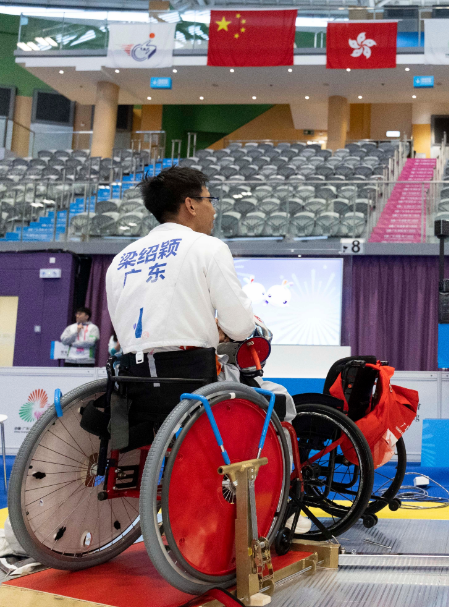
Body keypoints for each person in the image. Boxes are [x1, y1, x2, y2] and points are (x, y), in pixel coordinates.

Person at [104, 165, 308, 533]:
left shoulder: (122, 258)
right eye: (210, 200)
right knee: (280, 401)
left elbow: (129, 328)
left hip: (132, 384)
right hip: (192, 382)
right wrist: (227, 330)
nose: (214, 209)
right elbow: (242, 326)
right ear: (190, 205)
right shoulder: (207, 248)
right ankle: (280, 511)